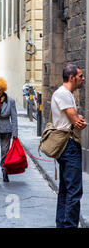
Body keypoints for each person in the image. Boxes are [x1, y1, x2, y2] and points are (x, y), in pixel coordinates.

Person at [52, 65, 86, 228]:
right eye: (81, 76)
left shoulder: (65, 94)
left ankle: (62, 225)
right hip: (69, 145)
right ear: (72, 78)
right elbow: (77, 122)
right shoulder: (64, 94)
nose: (83, 78)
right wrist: (79, 119)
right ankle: (69, 226)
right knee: (74, 191)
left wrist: (77, 118)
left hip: (66, 145)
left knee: (66, 190)